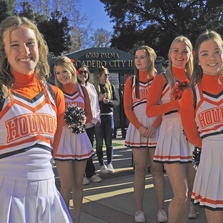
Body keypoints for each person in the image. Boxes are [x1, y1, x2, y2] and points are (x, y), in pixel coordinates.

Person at [0, 16, 73, 223]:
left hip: (47, 193)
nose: (25, 51)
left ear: (39, 46)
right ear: (4, 51)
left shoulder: (55, 95)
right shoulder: (2, 93)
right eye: (14, 45)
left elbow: (53, 151)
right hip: (6, 194)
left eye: (30, 43)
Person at [146, 36, 196, 223]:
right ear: (169, 53)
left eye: (184, 51)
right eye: (176, 50)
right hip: (171, 136)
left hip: (192, 137)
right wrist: (177, 104)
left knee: (189, 195)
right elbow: (150, 110)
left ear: (191, 54)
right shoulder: (161, 78)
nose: (180, 55)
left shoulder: (196, 78)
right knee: (180, 194)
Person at [180, 30, 223, 223]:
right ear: (197, 59)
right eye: (205, 54)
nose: (211, 58)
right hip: (212, 158)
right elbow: (192, 136)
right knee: (215, 211)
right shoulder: (191, 94)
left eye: (216, 51)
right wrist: (214, 148)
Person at [124, 46, 167, 223]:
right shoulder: (130, 82)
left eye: (143, 57)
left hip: (156, 126)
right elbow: (127, 108)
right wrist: (140, 127)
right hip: (138, 127)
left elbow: (164, 105)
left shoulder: (160, 79)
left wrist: (155, 125)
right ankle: (139, 210)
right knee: (140, 169)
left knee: (157, 169)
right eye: (136, 57)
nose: (139, 60)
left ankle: (161, 210)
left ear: (151, 59)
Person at [53, 56, 94, 223]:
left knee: (79, 185)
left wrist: (81, 120)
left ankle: (76, 219)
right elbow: (53, 118)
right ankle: (65, 220)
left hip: (79, 138)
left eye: (64, 71)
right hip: (63, 140)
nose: (62, 76)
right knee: (66, 186)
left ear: (72, 70)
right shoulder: (55, 91)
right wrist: (67, 119)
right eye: (58, 73)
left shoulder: (83, 90)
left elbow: (89, 115)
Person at [77, 64, 102, 184]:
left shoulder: (91, 87)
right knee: (80, 151)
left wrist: (96, 119)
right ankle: (81, 175)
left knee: (89, 149)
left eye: (85, 72)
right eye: (81, 72)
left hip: (91, 123)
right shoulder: (75, 87)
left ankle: (91, 173)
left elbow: (95, 104)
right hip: (79, 124)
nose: (83, 74)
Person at [93, 66, 119, 173]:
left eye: (108, 75)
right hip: (99, 116)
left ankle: (110, 163)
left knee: (109, 141)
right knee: (99, 142)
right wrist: (98, 100)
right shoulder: (94, 87)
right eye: (105, 75)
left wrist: (109, 102)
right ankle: (101, 164)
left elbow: (117, 102)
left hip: (108, 115)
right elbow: (90, 104)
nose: (107, 77)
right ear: (99, 75)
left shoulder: (111, 86)